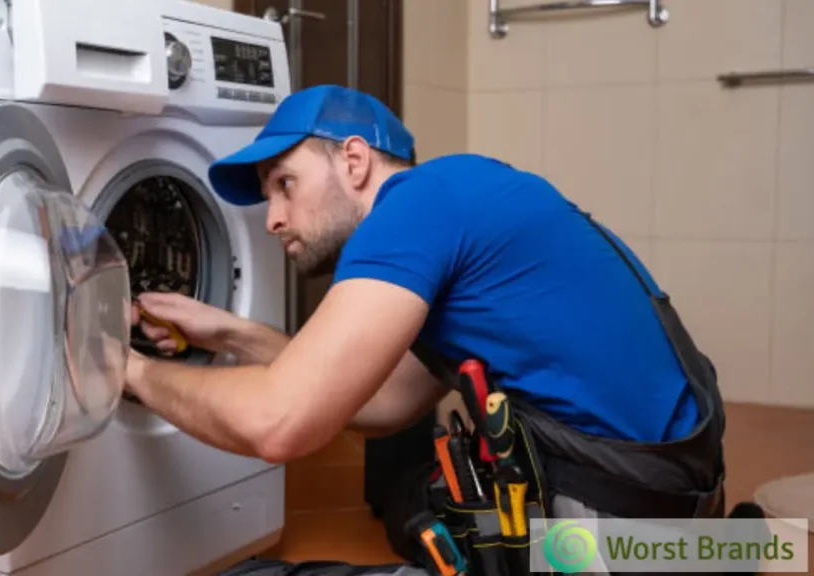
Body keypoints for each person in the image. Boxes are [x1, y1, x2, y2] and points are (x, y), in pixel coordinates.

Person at [123, 85, 728, 574]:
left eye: (286, 184)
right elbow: (387, 400)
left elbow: (278, 423)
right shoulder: (461, 193)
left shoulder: (412, 208)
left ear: (354, 160)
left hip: (610, 533)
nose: (274, 218)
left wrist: (128, 369)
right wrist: (229, 333)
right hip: (678, 517)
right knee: (412, 500)